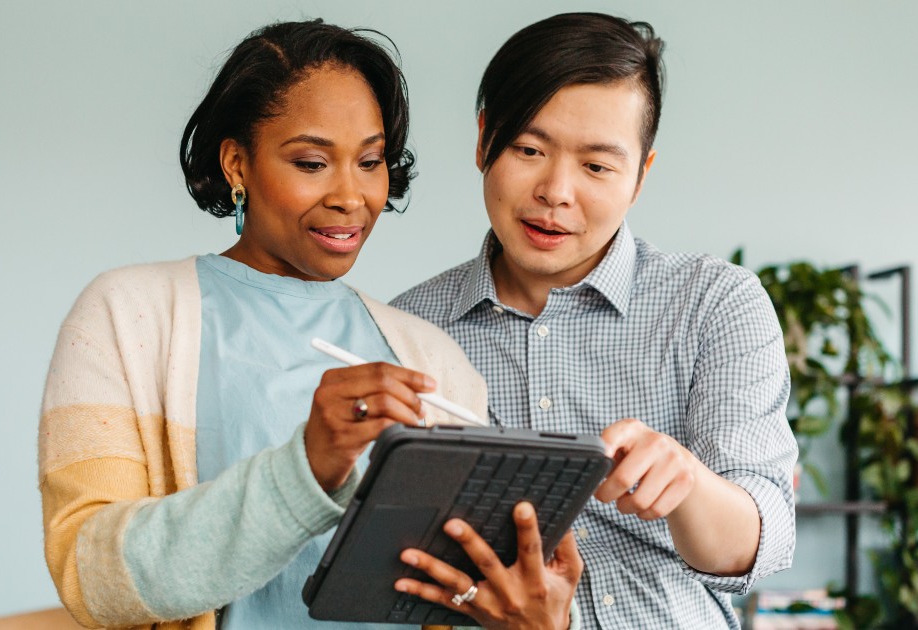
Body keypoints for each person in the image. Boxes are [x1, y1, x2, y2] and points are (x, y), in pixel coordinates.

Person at [38, 20, 581, 630]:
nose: (351, 196)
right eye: (312, 161)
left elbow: (447, 599)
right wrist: (305, 469)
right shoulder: (128, 316)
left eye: (370, 161)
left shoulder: (432, 357)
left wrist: (534, 620)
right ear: (237, 163)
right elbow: (90, 576)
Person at [392, 12, 798, 629]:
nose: (556, 191)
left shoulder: (716, 302)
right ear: (483, 140)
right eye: (529, 149)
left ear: (640, 177)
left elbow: (753, 544)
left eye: (598, 167)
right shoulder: (410, 328)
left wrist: (686, 483)